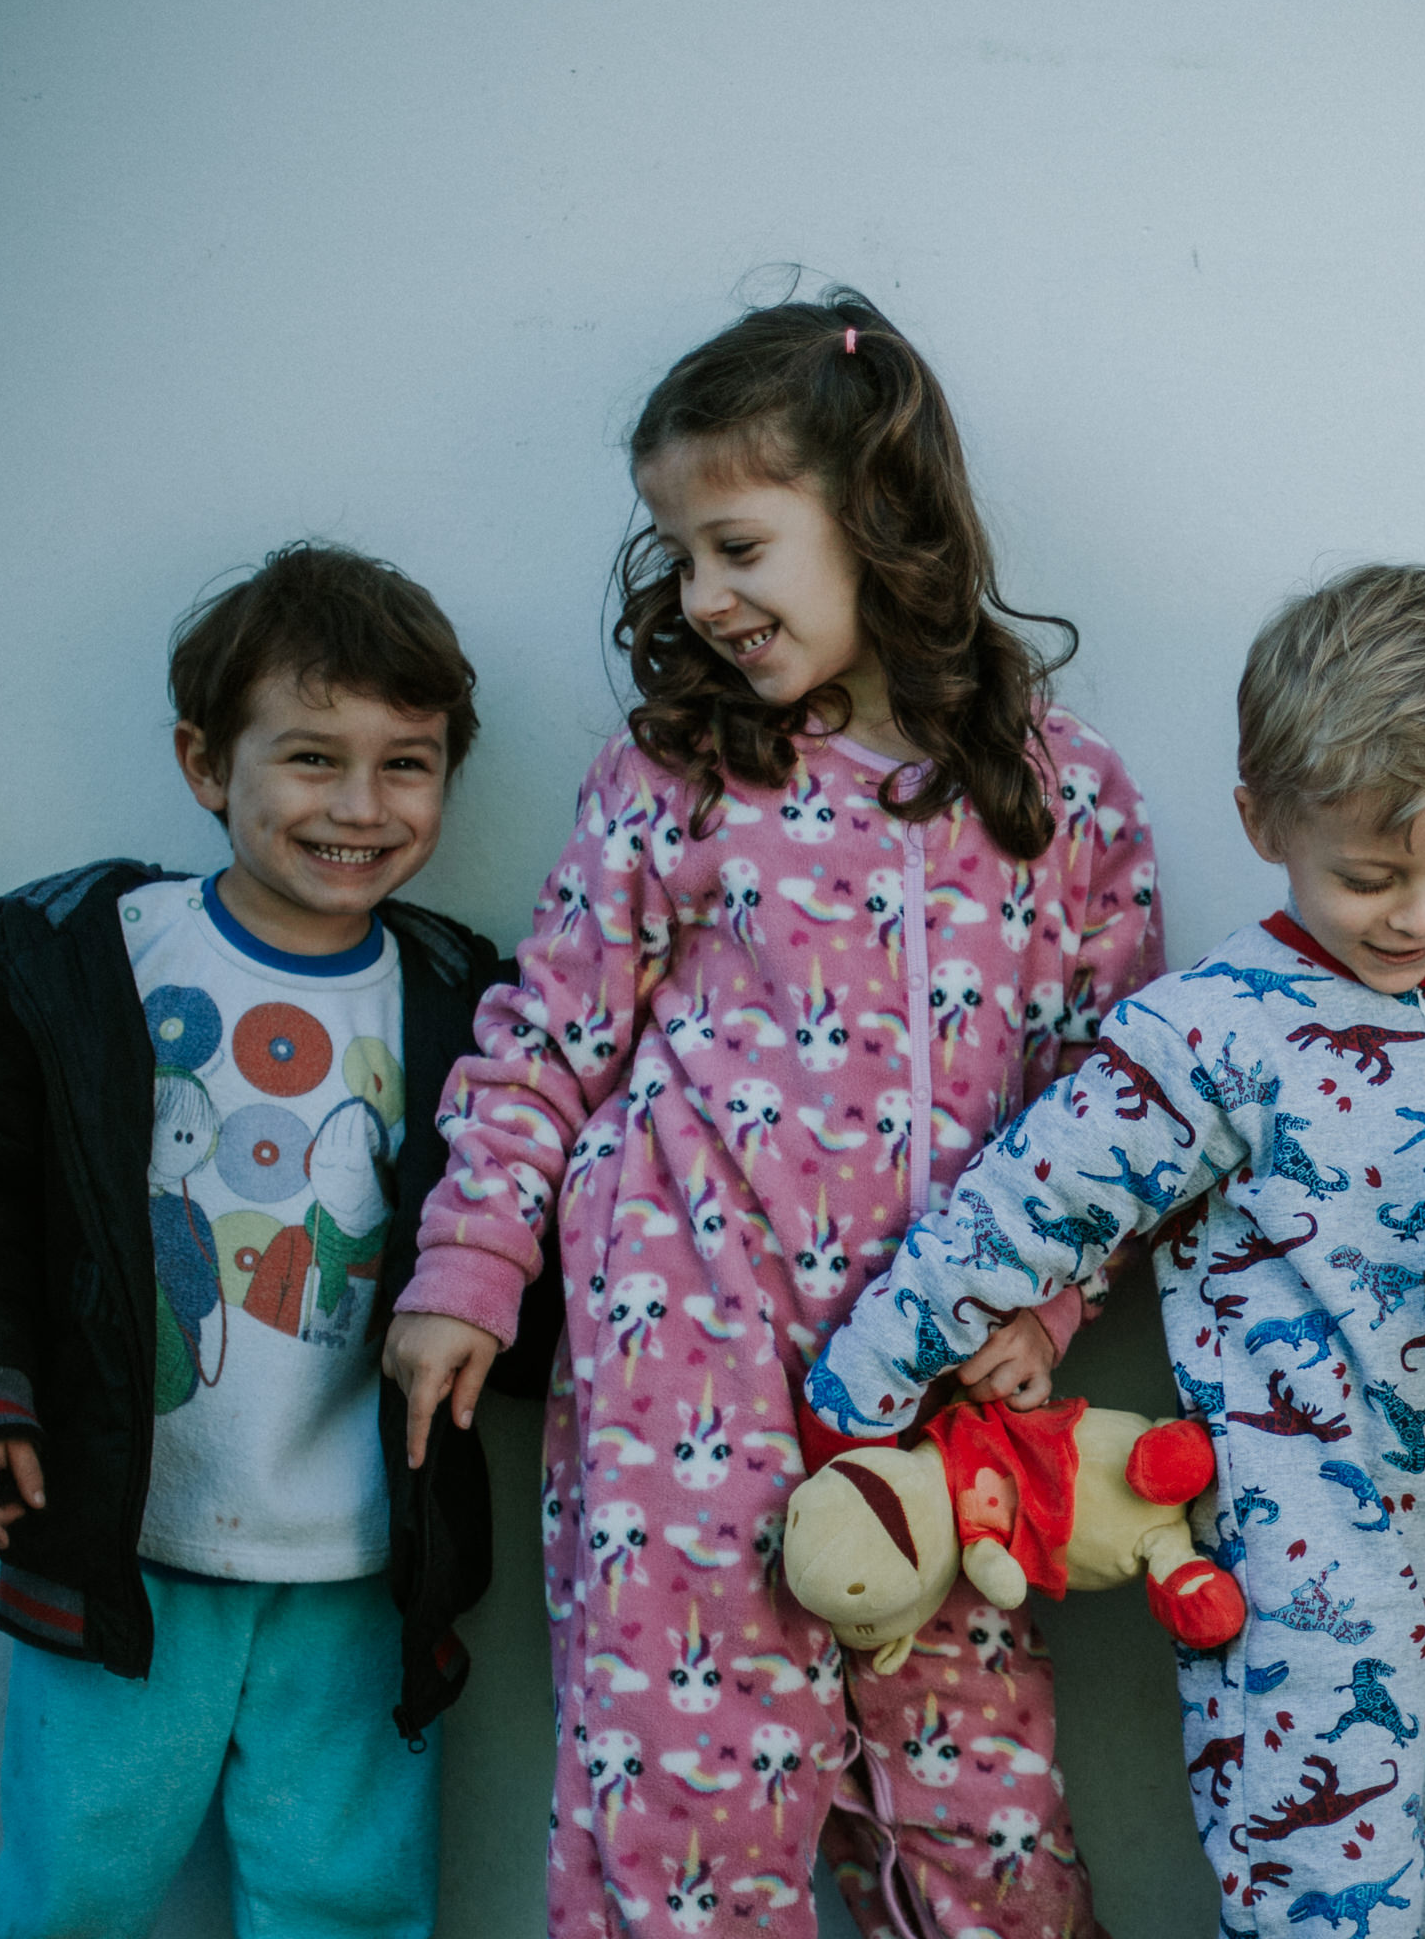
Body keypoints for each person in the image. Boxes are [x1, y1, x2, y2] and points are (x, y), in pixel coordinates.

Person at [395, 289, 1161, 1939]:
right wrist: (469, 1262)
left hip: (946, 1407)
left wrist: (1048, 1299)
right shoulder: (677, 776)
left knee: (978, 1822)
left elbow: (1115, 1106)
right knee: (687, 1816)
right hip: (690, 1377)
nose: (703, 595)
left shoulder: (1065, 797)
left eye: (737, 544)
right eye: (678, 556)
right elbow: (548, 1034)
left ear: (876, 513)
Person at [804, 564, 1425, 1939]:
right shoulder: (1210, 1035)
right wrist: (858, 1392)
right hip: (1299, 1583)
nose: (1416, 914)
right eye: (1370, 876)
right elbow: (1022, 1205)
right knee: (1320, 1908)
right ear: (1261, 820)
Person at [0, 543, 511, 1939]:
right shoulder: (93, 962)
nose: (360, 806)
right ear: (202, 762)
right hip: (129, 1541)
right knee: (78, 1884)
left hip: (362, 1564)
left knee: (345, 1893)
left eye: (407, 764)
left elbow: (517, 1215)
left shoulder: (463, 996)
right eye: (310, 758)